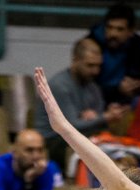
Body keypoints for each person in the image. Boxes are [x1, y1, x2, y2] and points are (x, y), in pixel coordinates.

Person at [34, 38, 128, 170]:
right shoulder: (60, 86)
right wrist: (105, 117)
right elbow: (71, 126)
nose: (96, 71)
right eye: (90, 65)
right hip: (53, 139)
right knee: (93, 143)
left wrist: (98, 117)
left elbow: (96, 120)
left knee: (110, 142)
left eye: (98, 66)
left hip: (77, 134)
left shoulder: (92, 86)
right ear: (75, 60)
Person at [87, 3, 140, 106]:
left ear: (131, 31)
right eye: (109, 27)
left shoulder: (137, 43)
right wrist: (117, 90)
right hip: (98, 102)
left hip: (127, 100)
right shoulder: (92, 43)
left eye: (120, 29)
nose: (113, 34)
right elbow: (86, 87)